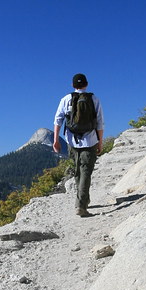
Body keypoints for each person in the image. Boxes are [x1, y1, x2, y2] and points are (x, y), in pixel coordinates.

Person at [53, 73, 104, 217]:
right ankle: (81, 205)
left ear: (73, 85)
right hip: (90, 140)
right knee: (86, 172)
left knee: (77, 171)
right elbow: (100, 122)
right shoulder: (94, 99)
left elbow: (58, 120)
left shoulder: (66, 99)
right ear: (86, 84)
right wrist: (100, 142)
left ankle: (82, 200)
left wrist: (56, 140)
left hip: (72, 140)